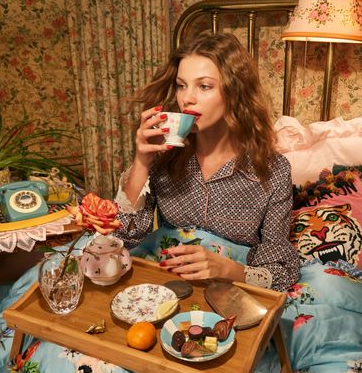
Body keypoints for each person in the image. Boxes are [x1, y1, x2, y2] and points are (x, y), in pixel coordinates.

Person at [114, 31, 299, 291]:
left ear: (235, 92)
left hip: (232, 285)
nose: (187, 98)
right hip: (163, 275)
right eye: (181, 85)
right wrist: (142, 162)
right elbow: (123, 235)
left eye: (204, 86)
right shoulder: (164, 154)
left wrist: (228, 269)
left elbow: (280, 270)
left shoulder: (272, 170)